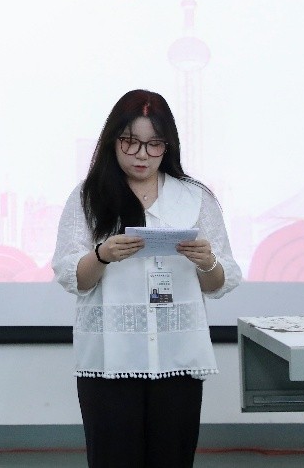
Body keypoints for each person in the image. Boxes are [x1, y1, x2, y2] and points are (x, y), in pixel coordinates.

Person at [52, 89, 241, 468]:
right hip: (110, 359)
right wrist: (102, 255)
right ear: (113, 141)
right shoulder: (88, 197)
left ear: (168, 146)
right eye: (130, 142)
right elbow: (73, 277)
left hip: (177, 355)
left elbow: (220, 283)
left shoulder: (194, 198)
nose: (141, 154)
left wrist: (207, 262)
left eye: (154, 144)